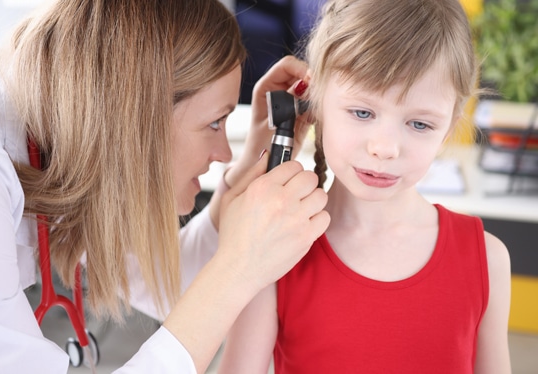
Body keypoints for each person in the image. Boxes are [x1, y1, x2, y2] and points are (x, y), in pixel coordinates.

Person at [0, 0, 330, 372]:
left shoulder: (60, 132)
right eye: (214, 123)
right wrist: (239, 267)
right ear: (136, 119)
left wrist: (244, 177)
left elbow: (169, 287)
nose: (225, 153)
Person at [217, 0, 512, 373]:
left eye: (420, 124)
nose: (385, 148)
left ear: (449, 129)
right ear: (316, 102)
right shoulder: (273, 251)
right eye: (363, 112)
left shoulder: (487, 260)